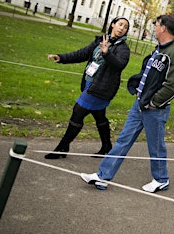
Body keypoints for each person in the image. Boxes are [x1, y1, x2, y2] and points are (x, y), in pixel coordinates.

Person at [80, 15, 174, 192]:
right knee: (123, 140)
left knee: (156, 146)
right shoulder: (159, 48)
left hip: (154, 109)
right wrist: (138, 89)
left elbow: (172, 86)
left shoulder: (173, 53)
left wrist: (153, 103)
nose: (154, 28)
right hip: (140, 104)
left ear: (163, 28)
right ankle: (103, 176)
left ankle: (161, 179)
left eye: (156, 25)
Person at [45, 16, 131, 159]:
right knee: (99, 115)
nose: (122, 28)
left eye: (126, 27)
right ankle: (106, 146)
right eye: (120, 24)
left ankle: (62, 148)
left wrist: (107, 53)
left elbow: (119, 65)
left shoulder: (123, 48)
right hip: (89, 83)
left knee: (77, 112)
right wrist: (62, 58)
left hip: (101, 88)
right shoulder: (100, 40)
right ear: (112, 25)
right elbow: (83, 53)